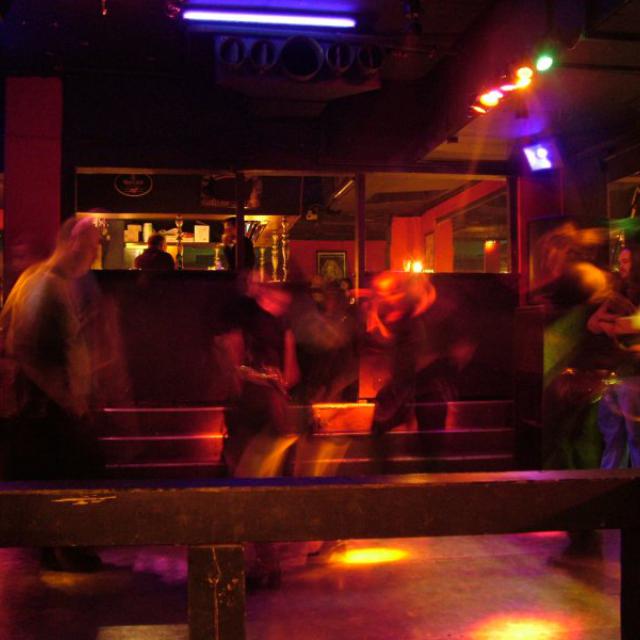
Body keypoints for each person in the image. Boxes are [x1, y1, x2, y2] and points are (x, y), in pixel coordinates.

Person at [0, 217, 107, 571]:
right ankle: (68, 549)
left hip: (47, 408)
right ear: (74, 242)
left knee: (60, 478)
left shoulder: (43, 281)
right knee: (71, 477)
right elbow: (28, 350)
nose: (95, 254)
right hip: (47, 410)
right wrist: (69, 399)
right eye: (92, 245)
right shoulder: (46, 285)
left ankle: (58, 549)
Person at [588, 246, 640, 469]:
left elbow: (632, 325)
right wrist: (612, 324)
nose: (621, 266)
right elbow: (592, 324)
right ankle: (608, 485)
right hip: (617, 375)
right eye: (620, 261)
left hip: (635, 377)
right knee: (613, 438)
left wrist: (610, 325)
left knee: (635, 439)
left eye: (626, 261)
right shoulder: (621, 294)